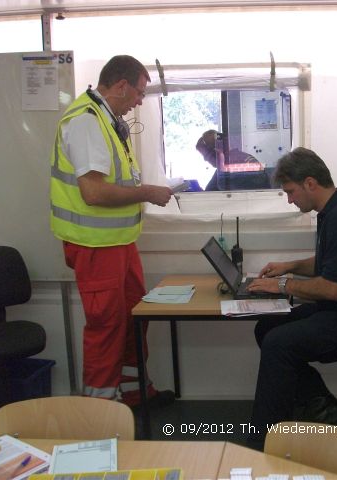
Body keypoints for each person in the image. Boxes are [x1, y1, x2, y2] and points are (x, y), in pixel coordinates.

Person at [245, 147, 337, 450]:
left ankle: (264, 440)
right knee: (266, 328)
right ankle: (320, 405)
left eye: (290, 191)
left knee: (278, 344)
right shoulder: (335, 209)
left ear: (310, 183)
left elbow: (331, 288)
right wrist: (291, 266)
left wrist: (283, 285)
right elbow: (331, 262)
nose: (289, 199)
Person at [49, 55, 175, 408]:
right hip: (95, 246)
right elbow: (94, 192)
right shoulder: (87, 122)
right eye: (139, 92)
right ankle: (101, 412)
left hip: (119, 243)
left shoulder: (107, 119)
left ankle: (134, 391)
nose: (139, 101)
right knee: (106, 326)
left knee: (134, 318)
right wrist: (148, 192)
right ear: (121, 86)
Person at [195, 129, 262, 191]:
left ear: (215, 151)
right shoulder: (241, 157)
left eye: (207, 157)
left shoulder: (227, 166)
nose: (206, 160)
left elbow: (208, 196)